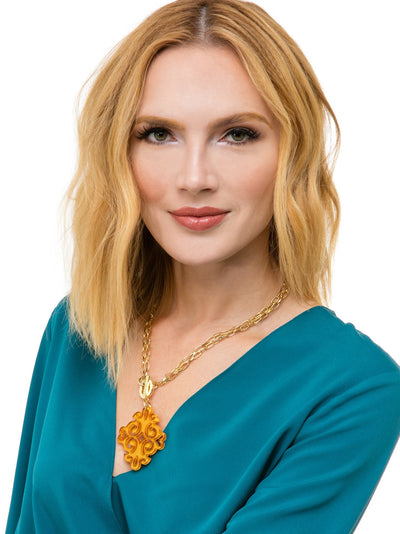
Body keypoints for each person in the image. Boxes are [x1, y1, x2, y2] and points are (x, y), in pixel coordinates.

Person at [6, 0, 400, 532]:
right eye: (158, 134)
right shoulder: (79, 327)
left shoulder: (353, 387)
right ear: (121, 153)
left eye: (237, 134)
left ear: (294, 154)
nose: (194, 178)